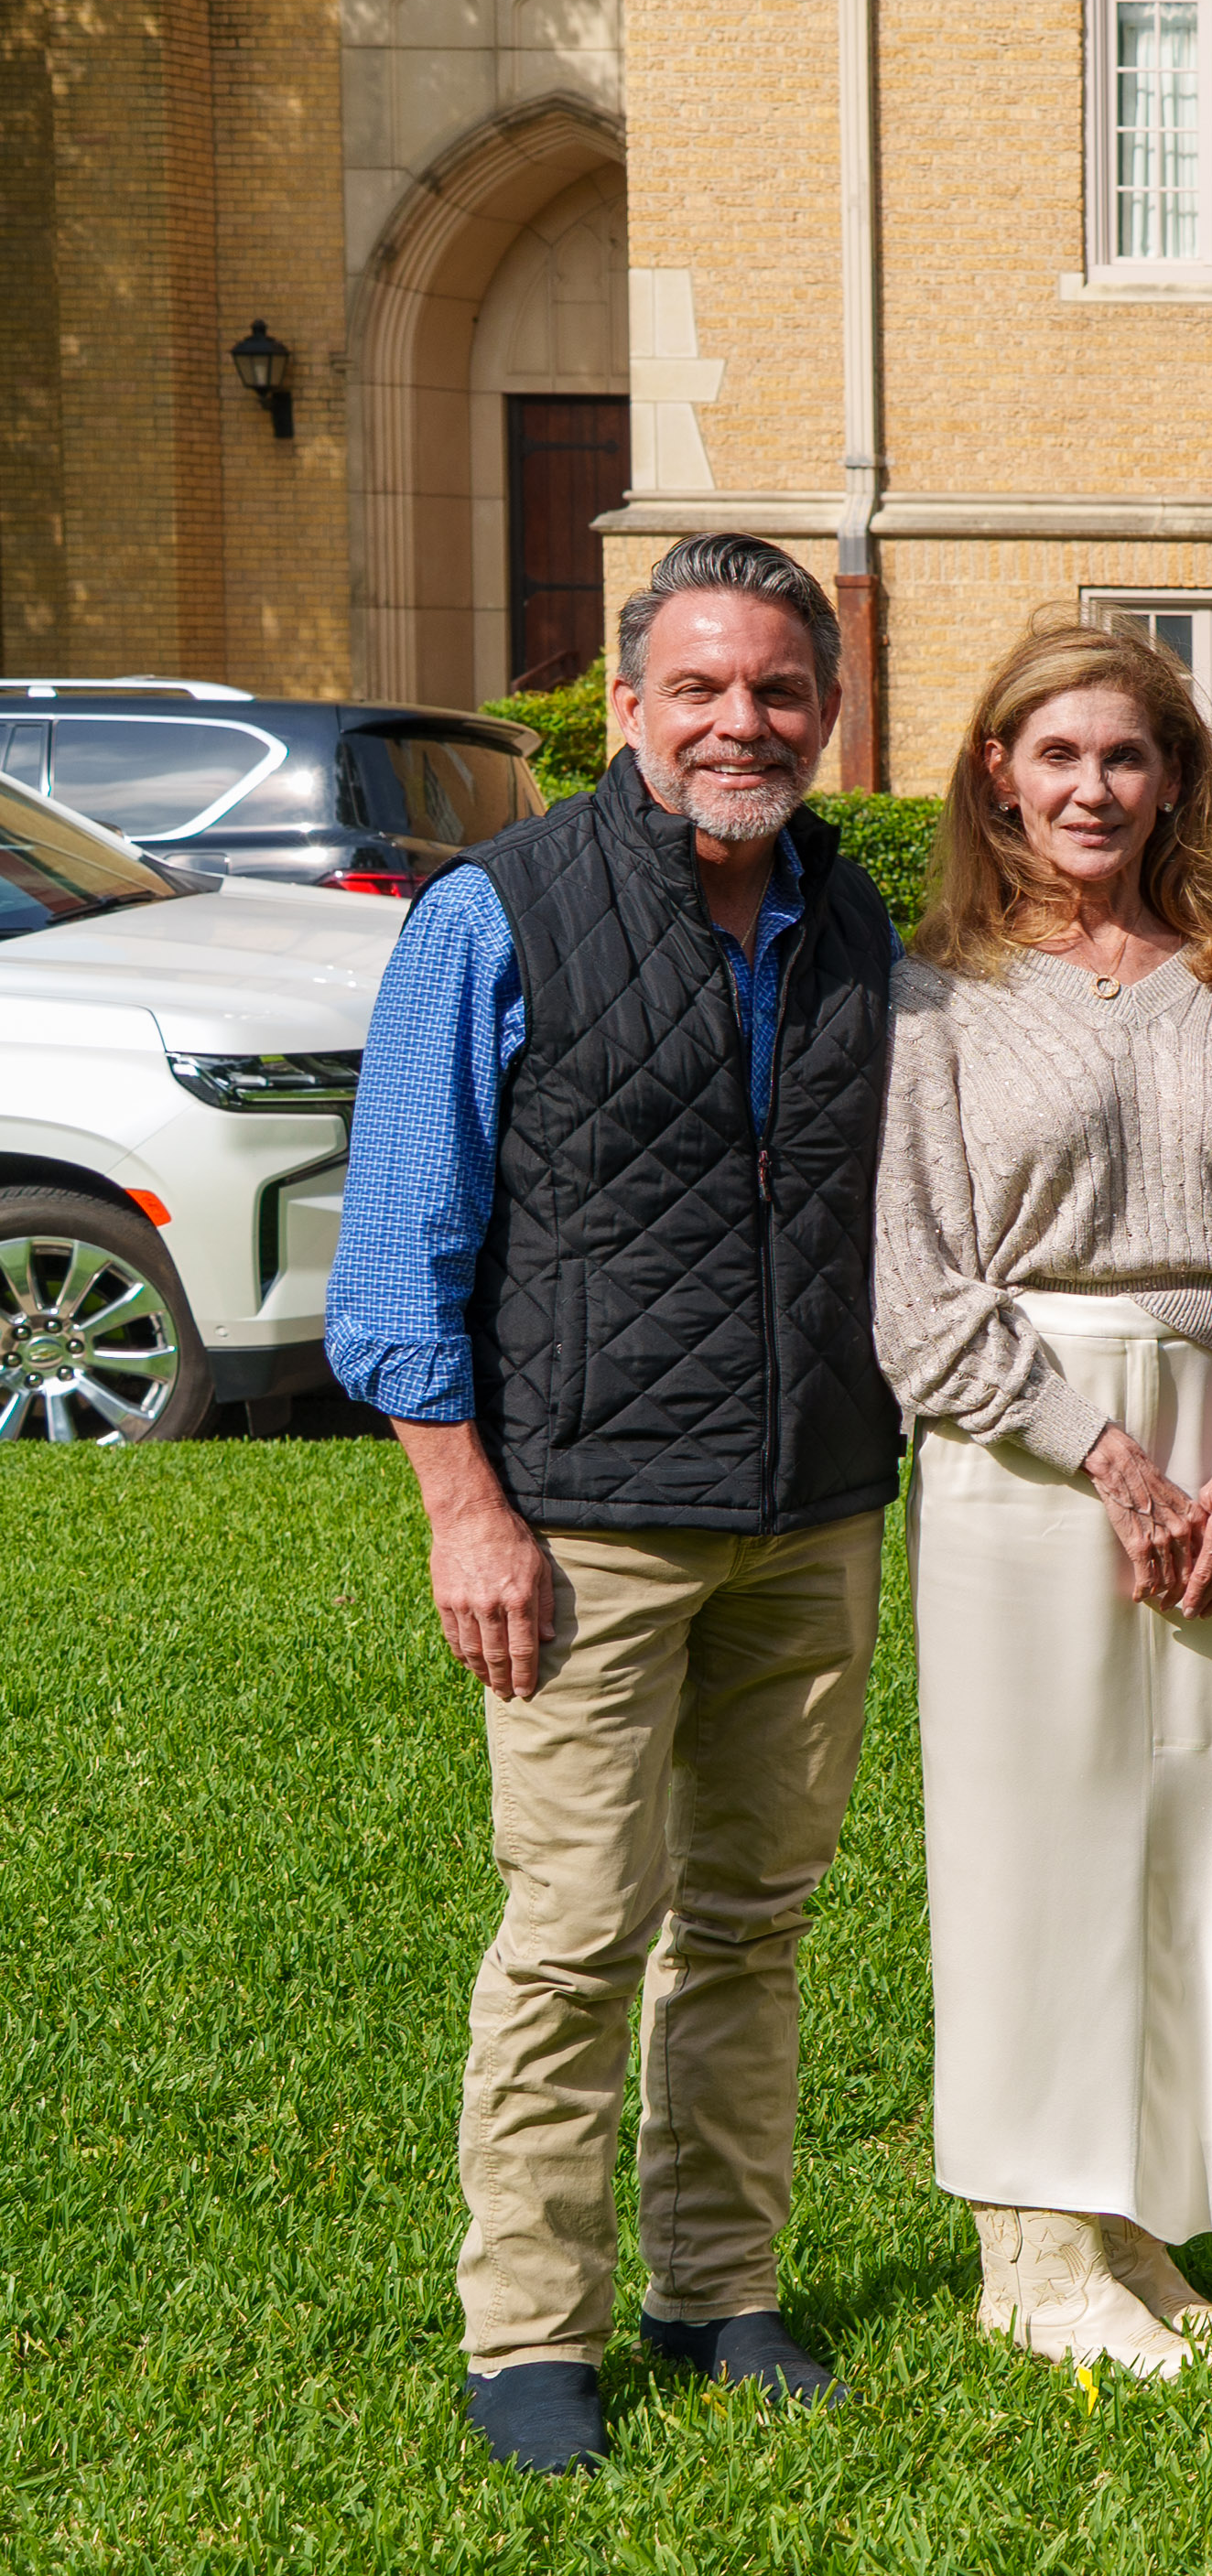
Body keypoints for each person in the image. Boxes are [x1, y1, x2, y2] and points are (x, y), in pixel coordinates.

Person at [325, 534, 904, 2477]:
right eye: (703, 688)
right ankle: (528, 2333)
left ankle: (718, 2289)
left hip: (814, 1505)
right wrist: (460, 1509)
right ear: (630, 701)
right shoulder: (500, 911)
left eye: (780, 692)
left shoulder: (853, 911)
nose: (742, 722)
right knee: (576, 1929)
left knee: (750, 1924)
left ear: (824, 709)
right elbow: (402, 1240)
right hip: (583, 1517)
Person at [875, 621, 1212, 2375]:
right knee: (1036, 1840)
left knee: (1186, 1823)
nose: (1093, 789)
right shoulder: (934, 992)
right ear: (996, 772)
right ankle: (1027, 2244)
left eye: (1128, 757)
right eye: (1057, 756)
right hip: (1031, 1450)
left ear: (1177, 775)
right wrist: (1102, 1451)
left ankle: (1137, 2220)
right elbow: (918, 1289)